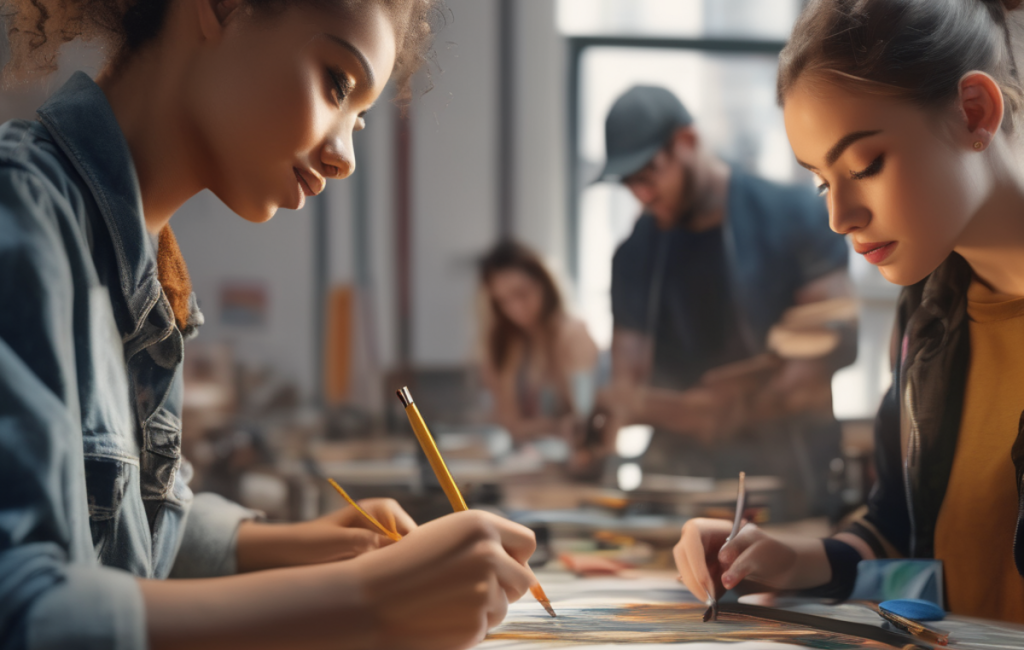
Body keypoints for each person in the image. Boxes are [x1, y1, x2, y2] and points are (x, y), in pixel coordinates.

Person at [0, 1, 538, 648]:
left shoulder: (149, 276)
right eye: (336, 83)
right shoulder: (18, 214)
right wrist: (368, 599)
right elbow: (21, 609)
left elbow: (133, 534)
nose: (346, 159)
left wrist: (286, 545)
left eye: (358, 119)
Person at [673, 0, 1024, 624]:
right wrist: (790, 559)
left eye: (865, 166)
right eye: (822, 181)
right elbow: (899, 529)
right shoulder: (929, 313)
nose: (839, 217)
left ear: (974, 111)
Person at [593, 85, 857, 512]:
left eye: (648, 174)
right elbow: (627, 385)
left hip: (789, 481)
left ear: (687, 141)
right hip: (679, 484)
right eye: (629, 183)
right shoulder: (635, 254)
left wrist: (695, 410)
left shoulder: (795, 217)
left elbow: (817, 359)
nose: (641, 195)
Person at [478, 241, 599, 444]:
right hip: (522, 457)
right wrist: (553, 427)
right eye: (502, 301)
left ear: (544, 284)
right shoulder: (503, 345)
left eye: (522, 294)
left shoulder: (573, 336)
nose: (515, 309)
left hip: (571, 456)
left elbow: (583, 418)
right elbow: (507, 422)